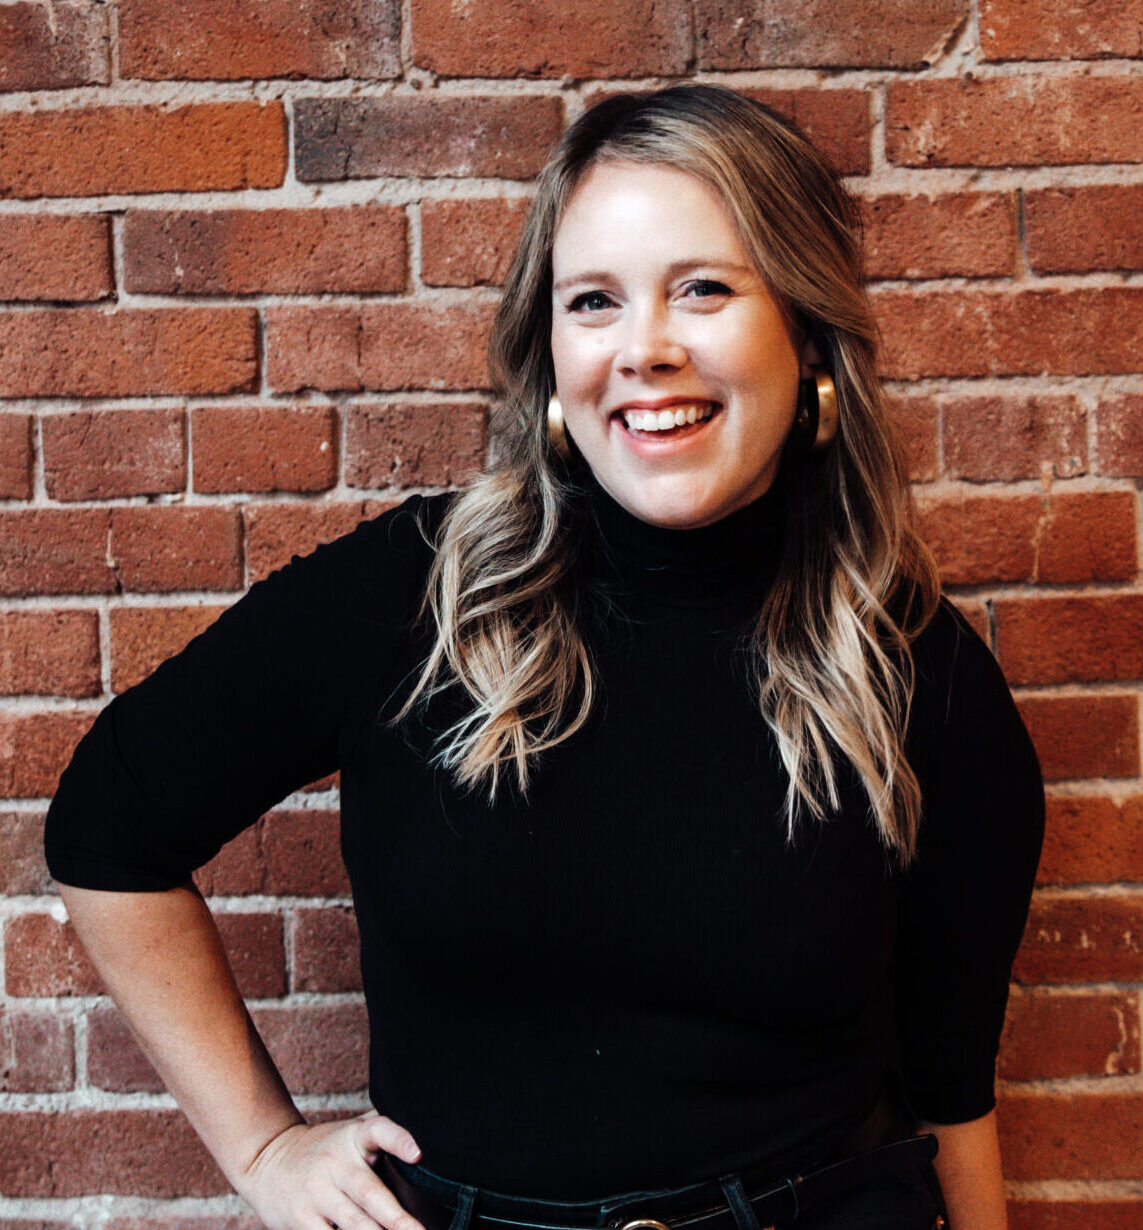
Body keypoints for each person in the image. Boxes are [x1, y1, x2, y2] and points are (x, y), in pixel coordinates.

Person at [43, 84, 1045, 1230]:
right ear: (549, 347)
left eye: (704, 289)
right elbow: (107, 826)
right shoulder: (408, 596)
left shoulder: (913, 665)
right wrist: (264, 1146)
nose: (644, 350)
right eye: (593, 303)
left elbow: (951, 1093)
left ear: (805, 330)